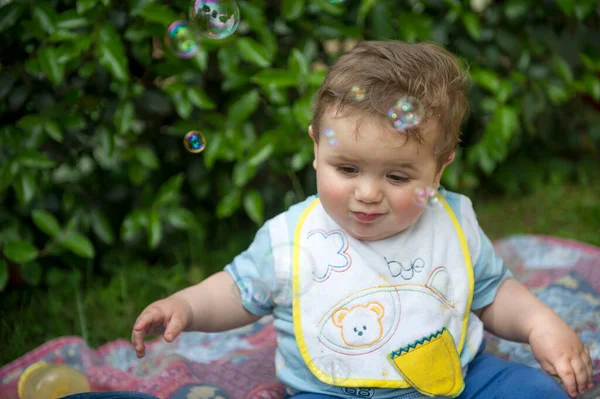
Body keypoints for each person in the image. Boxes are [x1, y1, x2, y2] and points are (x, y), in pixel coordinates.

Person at [66, 41, 594, 399]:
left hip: (459, 377)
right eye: (347, 169)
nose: (368, 194)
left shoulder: (452, 221)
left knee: (536, 392)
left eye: (397, 176)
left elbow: (492, 292)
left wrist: (539, 324)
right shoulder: (291, 239)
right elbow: (236, 291)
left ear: (441, 167)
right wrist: (184, 304)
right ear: (316, 149)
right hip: (333, 390)